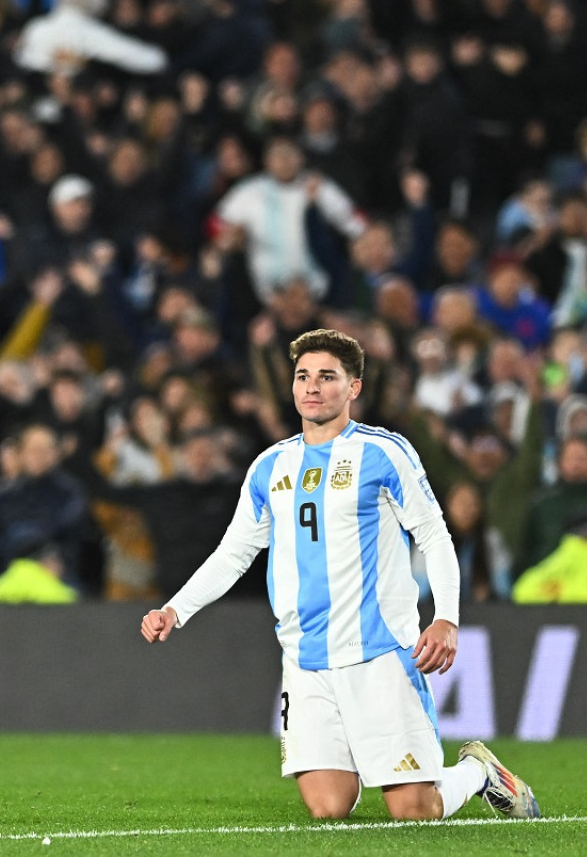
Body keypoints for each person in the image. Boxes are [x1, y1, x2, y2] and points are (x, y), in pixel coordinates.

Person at [140, 328, 538, 822]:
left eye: (327, 377)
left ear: (353, 387)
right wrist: (175, 609)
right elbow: (234, 552)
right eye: (303, 376)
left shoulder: (383, 453)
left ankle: (478, 772)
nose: (312, 387)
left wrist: (447, 618)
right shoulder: (270, 467)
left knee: (414, 812)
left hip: (379, 651)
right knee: (328, 809)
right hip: (305, 659)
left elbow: (435, 536)